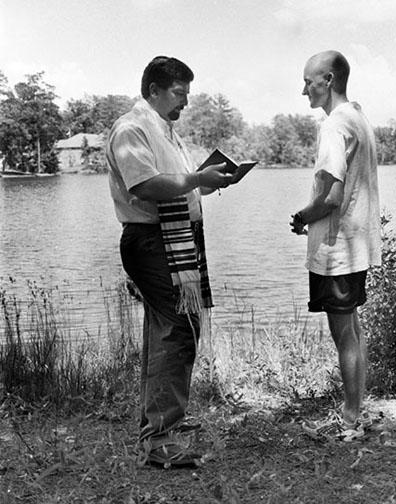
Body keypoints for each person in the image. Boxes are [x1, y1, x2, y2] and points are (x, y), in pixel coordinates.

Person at [106, 56, 234, 468]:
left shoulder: (166, 132)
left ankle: (162, 422)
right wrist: (198, 179)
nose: (184, 102)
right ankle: (159, 437)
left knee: (172, 328)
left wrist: (205, 182)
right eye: (179, 93)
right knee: (176, 329)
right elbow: (144, 186)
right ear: (154, 91)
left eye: (186, 94)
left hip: (175, 239)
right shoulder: (132, 129)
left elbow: (178, 188)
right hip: (150, 240)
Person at [290, 50, 381, 441]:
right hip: (356, 245)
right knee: (354, 331)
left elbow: (332, 198)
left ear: (328, 80)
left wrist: (302, 217)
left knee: (344, 334)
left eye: (309, 81)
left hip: (338, 248)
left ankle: (349, 420)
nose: (304, 89)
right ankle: (355, 411)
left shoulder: (333, 126)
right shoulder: (358, 118)